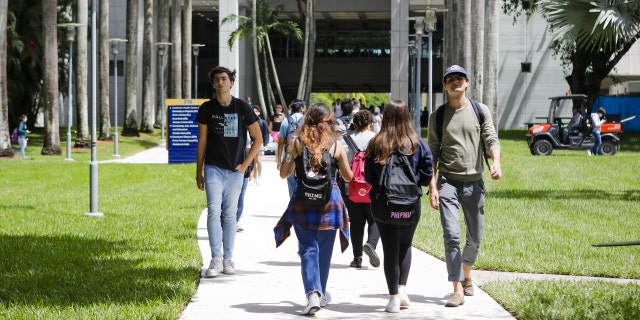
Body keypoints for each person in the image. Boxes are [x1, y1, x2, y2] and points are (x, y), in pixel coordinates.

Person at [427, 65, 502, 308]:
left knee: (475, 236)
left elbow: (491, 138)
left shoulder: (480, 111)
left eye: (459, 78)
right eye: (450, 79)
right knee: (451, 234)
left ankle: (466, 272)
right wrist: (433, 187)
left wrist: (496, 163)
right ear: (445, 86)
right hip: (448, 181)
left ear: (467, 82)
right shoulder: (437, 117)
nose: (455, 82)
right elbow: (432, 155)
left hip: (474, 182)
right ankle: (457, 288)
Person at [273, 103, 354, 315]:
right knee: (325, 251)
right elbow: (348, 177)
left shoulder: (296, 144)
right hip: (331, 202)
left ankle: (313, 294)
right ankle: (321, 293)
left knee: (308, 248)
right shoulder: (336, 146)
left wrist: (292, 158)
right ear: (328, 123)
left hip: (303, 202)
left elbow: (284, 174)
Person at [364, 100, 433, 313]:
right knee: (405, 245)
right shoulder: (417, 143)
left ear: (385, 116)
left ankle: (393, 298)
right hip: (410, 204)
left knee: (389, 248)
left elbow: (368, 177)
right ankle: (403, 289)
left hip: (384, 205)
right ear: (407, 116)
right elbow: (427, 174)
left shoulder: (377, 142)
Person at [195, 66, 263, 278]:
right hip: (213, 167)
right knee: (214, 210)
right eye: (217, 79)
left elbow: (258, 139)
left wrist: (245, 165)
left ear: (231, 82)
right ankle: (215, 259)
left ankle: (228, 258)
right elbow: (202, 141)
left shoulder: (242, 107)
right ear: (213, 83)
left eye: (224, 79)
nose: (220, 82)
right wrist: (199, 171)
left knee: (230, 215)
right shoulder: (207, 108)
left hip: (235, 170)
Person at [342, 110, 380, 268]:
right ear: (371, 123)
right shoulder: (377, 139)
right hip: (373, 186)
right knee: (375, 219)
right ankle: (371, 244)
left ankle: (357, 258)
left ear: (355, 124)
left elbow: (341, 164)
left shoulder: (346, 139)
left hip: (351, 186)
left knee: (356, 222)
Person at [277, 99, 307, 198]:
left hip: (289, 156)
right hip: (304, 157)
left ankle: (293, 206)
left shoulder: (286, 121)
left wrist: (279, 160)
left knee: (291, 185)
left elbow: (281, 142)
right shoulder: (307, 120)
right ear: (302, 108)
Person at [252, 105, 269, 185]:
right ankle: (255, 178)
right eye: (253, 111)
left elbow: (266, 134)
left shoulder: (263, 122)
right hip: (252, 144)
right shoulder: (249, 121)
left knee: (258, 161)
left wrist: (266, 145)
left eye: (256, 111)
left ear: (259, 112)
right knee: (254, 162)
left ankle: (260, 176)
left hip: (260, 144)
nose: (254, 112)